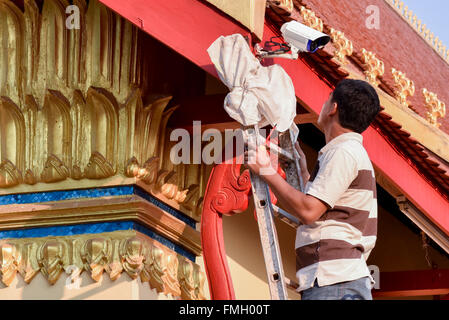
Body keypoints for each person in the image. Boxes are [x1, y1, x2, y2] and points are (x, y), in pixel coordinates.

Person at [246, 79, 381, 300]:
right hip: (339, 280)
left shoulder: (344, 153)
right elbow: (329, 209)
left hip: (334, 281)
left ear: (334, 108)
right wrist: (305, 176)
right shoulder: (348, 151)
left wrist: (266, 171)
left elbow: (309, 211)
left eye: (328, 98)